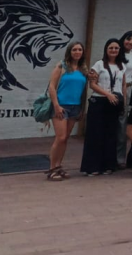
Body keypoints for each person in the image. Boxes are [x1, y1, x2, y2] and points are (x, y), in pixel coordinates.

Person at [81, 38, 127, 176]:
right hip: (100, 101)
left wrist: (123, 102)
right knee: (96, 134)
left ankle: (108, 165)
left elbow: (123, 85)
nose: (113, 50)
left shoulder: (122, 66)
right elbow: (92, 85)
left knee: (111, 134)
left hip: (115, 102)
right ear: (106, 50)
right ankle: (92, 167)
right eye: (111, 48)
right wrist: (108, 94)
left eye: (116, 48)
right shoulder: (99, 65)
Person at [46, 41, 88, 181]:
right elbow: (52, 87)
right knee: (60, 137)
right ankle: (52, 168)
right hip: (61, 106)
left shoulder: (83, 69)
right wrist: (56, 105)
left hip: (75, 106)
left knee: (65, 139)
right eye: (74, 49)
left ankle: (59, 166)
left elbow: (83, 90)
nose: (77, 52)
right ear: (69, 52)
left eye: (79, 50)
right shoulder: (61, 66)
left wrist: (82, 108)